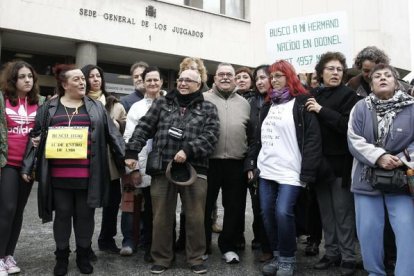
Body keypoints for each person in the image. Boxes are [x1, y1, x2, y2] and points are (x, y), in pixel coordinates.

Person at [21, 64, 125, 276]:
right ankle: (61, 256)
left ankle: (83, 255)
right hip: (58, 176)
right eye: (77, 79)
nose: (82, 82)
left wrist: (127, 163)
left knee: (85, 217)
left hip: (88, 175)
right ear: (64, 84)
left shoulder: (96, 107)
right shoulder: (49, 108)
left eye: (82, 79)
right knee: (62, 216)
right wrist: (27, 166)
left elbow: (113, 136)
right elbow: (34, 137)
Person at [125, 69, 219, 274]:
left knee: (195, 217)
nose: (183, 83)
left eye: (189, 80)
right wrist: (132, 150)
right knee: (161, 216)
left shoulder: (209, 108)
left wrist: (188, 150)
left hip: (194, 169)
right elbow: (143, 127)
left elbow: (211, 137)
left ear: (199, 84)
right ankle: (162, 258)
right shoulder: (162, 103)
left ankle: (195, 258)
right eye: (181, 79)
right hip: (162, 168)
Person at [246, 60, 322, 276]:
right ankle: (278, 255)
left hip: (291, 170)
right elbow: (258, 138)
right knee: (267, 213)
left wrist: (308, 171)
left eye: (279, 75)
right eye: (271, 76)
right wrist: (252, 162)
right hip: (267, 168)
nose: (273, 80)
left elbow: (312, 139)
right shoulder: (268, 105)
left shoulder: (302, 101)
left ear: (290, 77)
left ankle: (288, 259)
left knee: (283, 212)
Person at [348, 63, 414, 276]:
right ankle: (375, 272)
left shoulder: (411, 106)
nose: (383, 78)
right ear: (371, 82)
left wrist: (402, 159)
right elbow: (353, 139)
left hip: (401, 178)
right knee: (368, 231)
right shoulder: (360, 108)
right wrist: (379, 157)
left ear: (396, 82)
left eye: (388, 75)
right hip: (366, 177)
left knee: (406, 230)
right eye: (378, 76)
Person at [305, 52, 361, 276]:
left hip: (341, 165)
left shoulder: (350, 96)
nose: (335, 73)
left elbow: (348, 126)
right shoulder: (314, 94)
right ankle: (331, 253)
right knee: (326, 213)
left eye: (339, 69)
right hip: (319, 164)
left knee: (343, 212)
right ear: (321, 73)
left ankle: (348, 257)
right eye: (330, 69)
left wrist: (321, 110)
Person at [203, 63, 251, 264]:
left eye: (228, 75)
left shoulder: (244, 103)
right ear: (215, 79)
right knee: (204, 206)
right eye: (220, 74)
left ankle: (228, 246)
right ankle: (203, 246)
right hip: (208, 162)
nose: (224, 77)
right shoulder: (203, 98)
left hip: (236, 162)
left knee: (234, 207)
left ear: (234, 79)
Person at [0, 61, 44, 276]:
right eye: (22, 77)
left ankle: (9, 256)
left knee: (18, 212)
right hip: (6, 163)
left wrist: (40, 139)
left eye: (30, 76)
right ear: (13, 80)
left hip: (28, 165)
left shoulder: (40, 103)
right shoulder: (3, 101)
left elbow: (42, 131)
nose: (27, 80)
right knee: (6, 209)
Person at [81, 64, 127, 255]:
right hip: (86, 162)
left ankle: (107, 240)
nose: (95, 79)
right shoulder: (77, 103)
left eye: (98, 76)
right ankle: (84, 246)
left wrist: (118, 125)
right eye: (91, 76)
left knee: (112, 202)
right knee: (86, 206)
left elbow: (125, 131)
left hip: (110, 163)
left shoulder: (114, 103)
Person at [121, 66, 164, 261]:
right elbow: (129, 138)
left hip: (167, 166)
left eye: (156, 80)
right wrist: (134, 169)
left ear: (162, 82)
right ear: (143, 83)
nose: (153, 83)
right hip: (145, 165)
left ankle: (164, 246)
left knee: (165, 210)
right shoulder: (137, 107)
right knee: (148, 210)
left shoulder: (171, 104)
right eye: (149, 80)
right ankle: (148, 247)